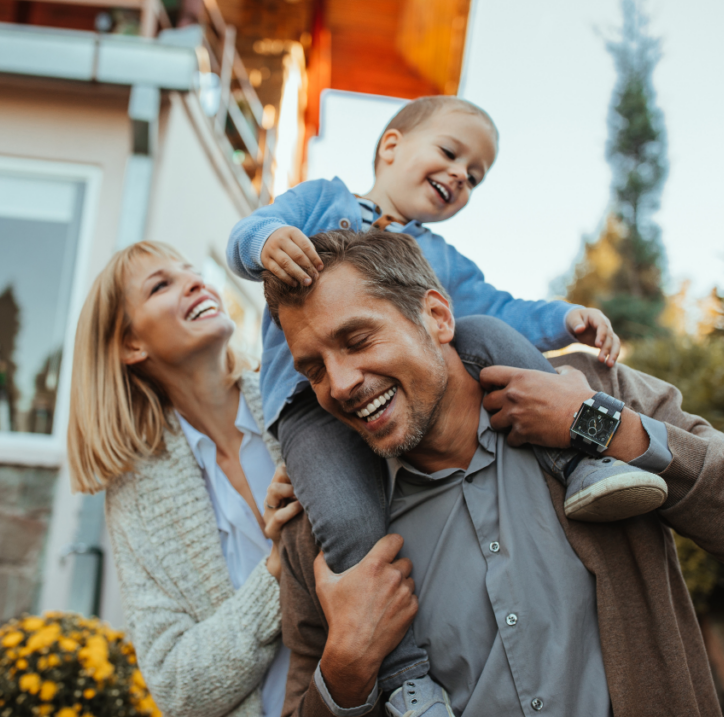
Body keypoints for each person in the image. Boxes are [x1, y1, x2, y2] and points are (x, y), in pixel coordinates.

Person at [263, 228, 724, 717]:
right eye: (313, 369)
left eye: (358, 340)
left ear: (436, 316)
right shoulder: (321, 530)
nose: (339, 384)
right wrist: (346, 669)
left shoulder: (592, 393)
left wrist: (606, 429)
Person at [227, 96, 667, 712]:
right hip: (310, 409)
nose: (462, 175)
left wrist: (565, 317)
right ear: (391, 147)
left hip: (412, 385)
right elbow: (247, 231)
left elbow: (504, 308)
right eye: (451, 152)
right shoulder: (321, 198)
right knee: (350, 522)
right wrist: (268, 241)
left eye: (476, 176)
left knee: (486, 332)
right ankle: (406, 676)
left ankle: (582, 462)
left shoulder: (443, 262)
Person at [66, 240, 303, 717]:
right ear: (132, 344)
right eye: (161, 285)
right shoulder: (138, 495)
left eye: (191, 271)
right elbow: (176, 687)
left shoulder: (296, 404)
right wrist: (277, 568)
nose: (196, 282)